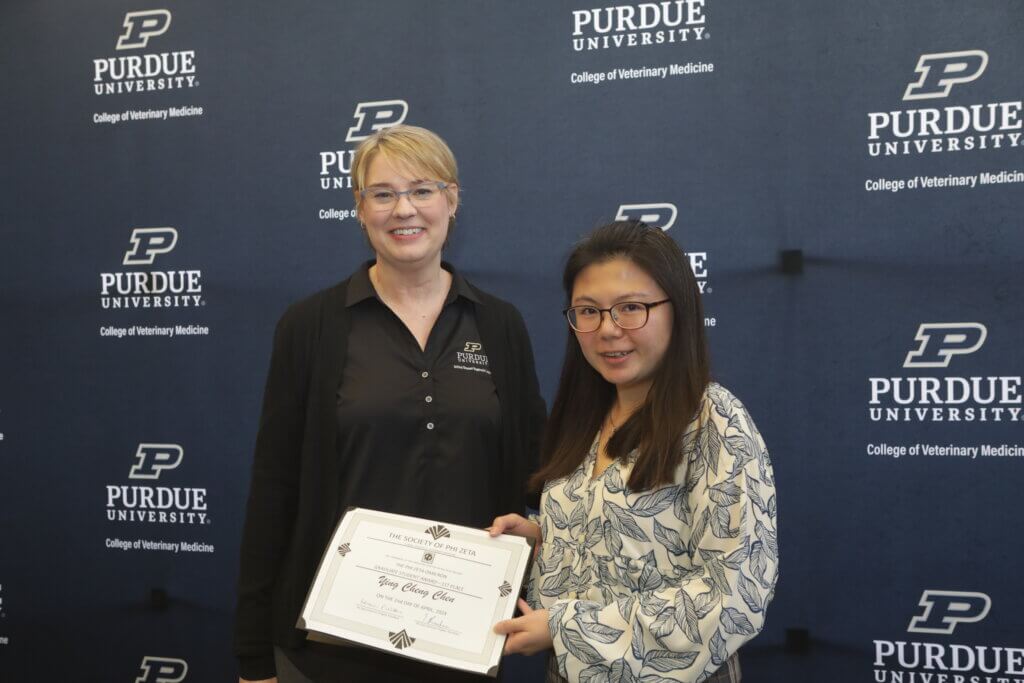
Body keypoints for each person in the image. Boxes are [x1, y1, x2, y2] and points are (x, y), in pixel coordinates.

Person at [234, 124, 546, 683]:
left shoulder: (500, 325)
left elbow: (538, 467)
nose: (404, 209)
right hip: (333, 645)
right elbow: (274, 487)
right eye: (382, 194)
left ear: (451, 200)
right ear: (359, 208)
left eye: (422, 190)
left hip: (463, 636)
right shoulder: (311, 326)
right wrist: (254, 655)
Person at [490, 221, 778, 682]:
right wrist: (544, 535)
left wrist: (568, 630)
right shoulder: (585, 418)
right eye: (588, 311)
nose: (607, 330)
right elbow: (629, 536)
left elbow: (736, 594)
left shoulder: (714, 421)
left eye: (631, 308)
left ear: (678, 310)